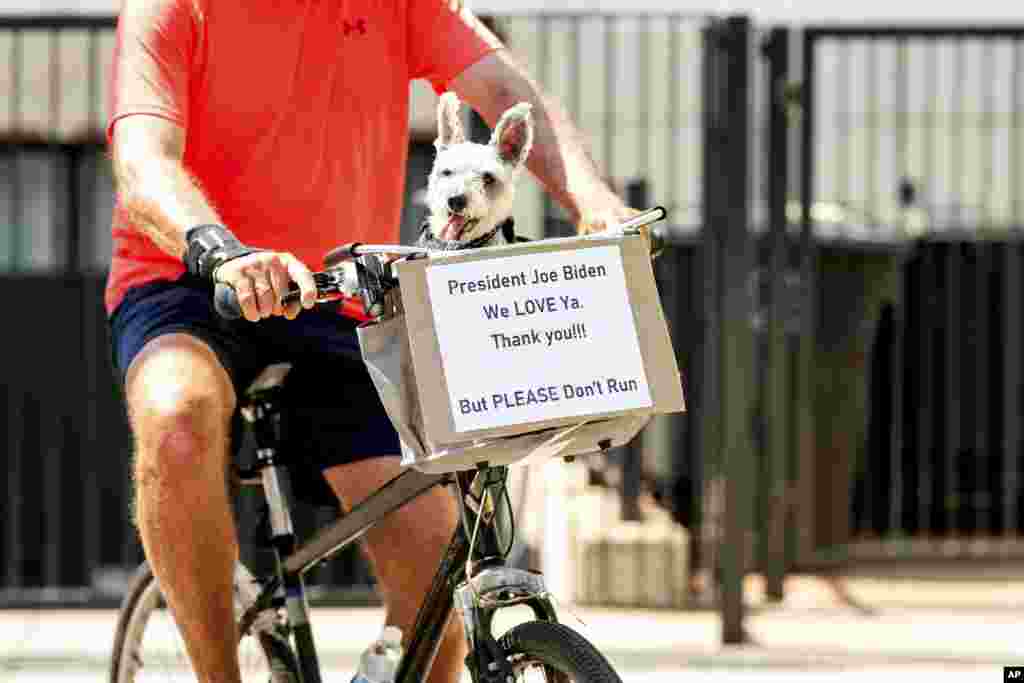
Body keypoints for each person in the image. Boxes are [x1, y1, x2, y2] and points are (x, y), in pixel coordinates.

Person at [106, 1, 639, 682]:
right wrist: (223, 252)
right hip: (192, 278)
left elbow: (506, 89)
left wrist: (593, 200)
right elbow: (142, 161)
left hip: (335, 292)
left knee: (436, 576)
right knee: (175, 418)